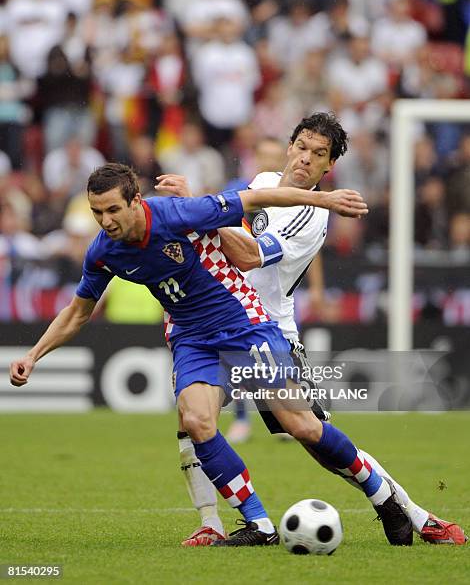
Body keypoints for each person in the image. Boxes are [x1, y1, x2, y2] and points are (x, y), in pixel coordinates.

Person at [10, 157, 371, 548]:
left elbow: (257, 197)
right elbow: (75, 315)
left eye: (113, 209)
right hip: (191, 337)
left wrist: (326, 200)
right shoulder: (102, 252)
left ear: (135, 201)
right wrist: (33, 356)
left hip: (241, 324)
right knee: (196, 420)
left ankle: (377, 488)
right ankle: (259, 524)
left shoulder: (175, 213)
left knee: (302, 426)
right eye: (97, 212)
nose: (106, 220)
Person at [155, 113, 467, 548]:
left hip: (266, 332)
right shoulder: (264, 180)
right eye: (302, 146)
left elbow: (245, 255)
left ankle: (412, 512)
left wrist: (194, 207)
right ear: (289, 147)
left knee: (306, 432)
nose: (305, 159)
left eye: (318, 155)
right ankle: (212, 522)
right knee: (192, 420)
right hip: (214, 325)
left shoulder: (310, 215)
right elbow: (220, 216)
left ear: (328, 168)